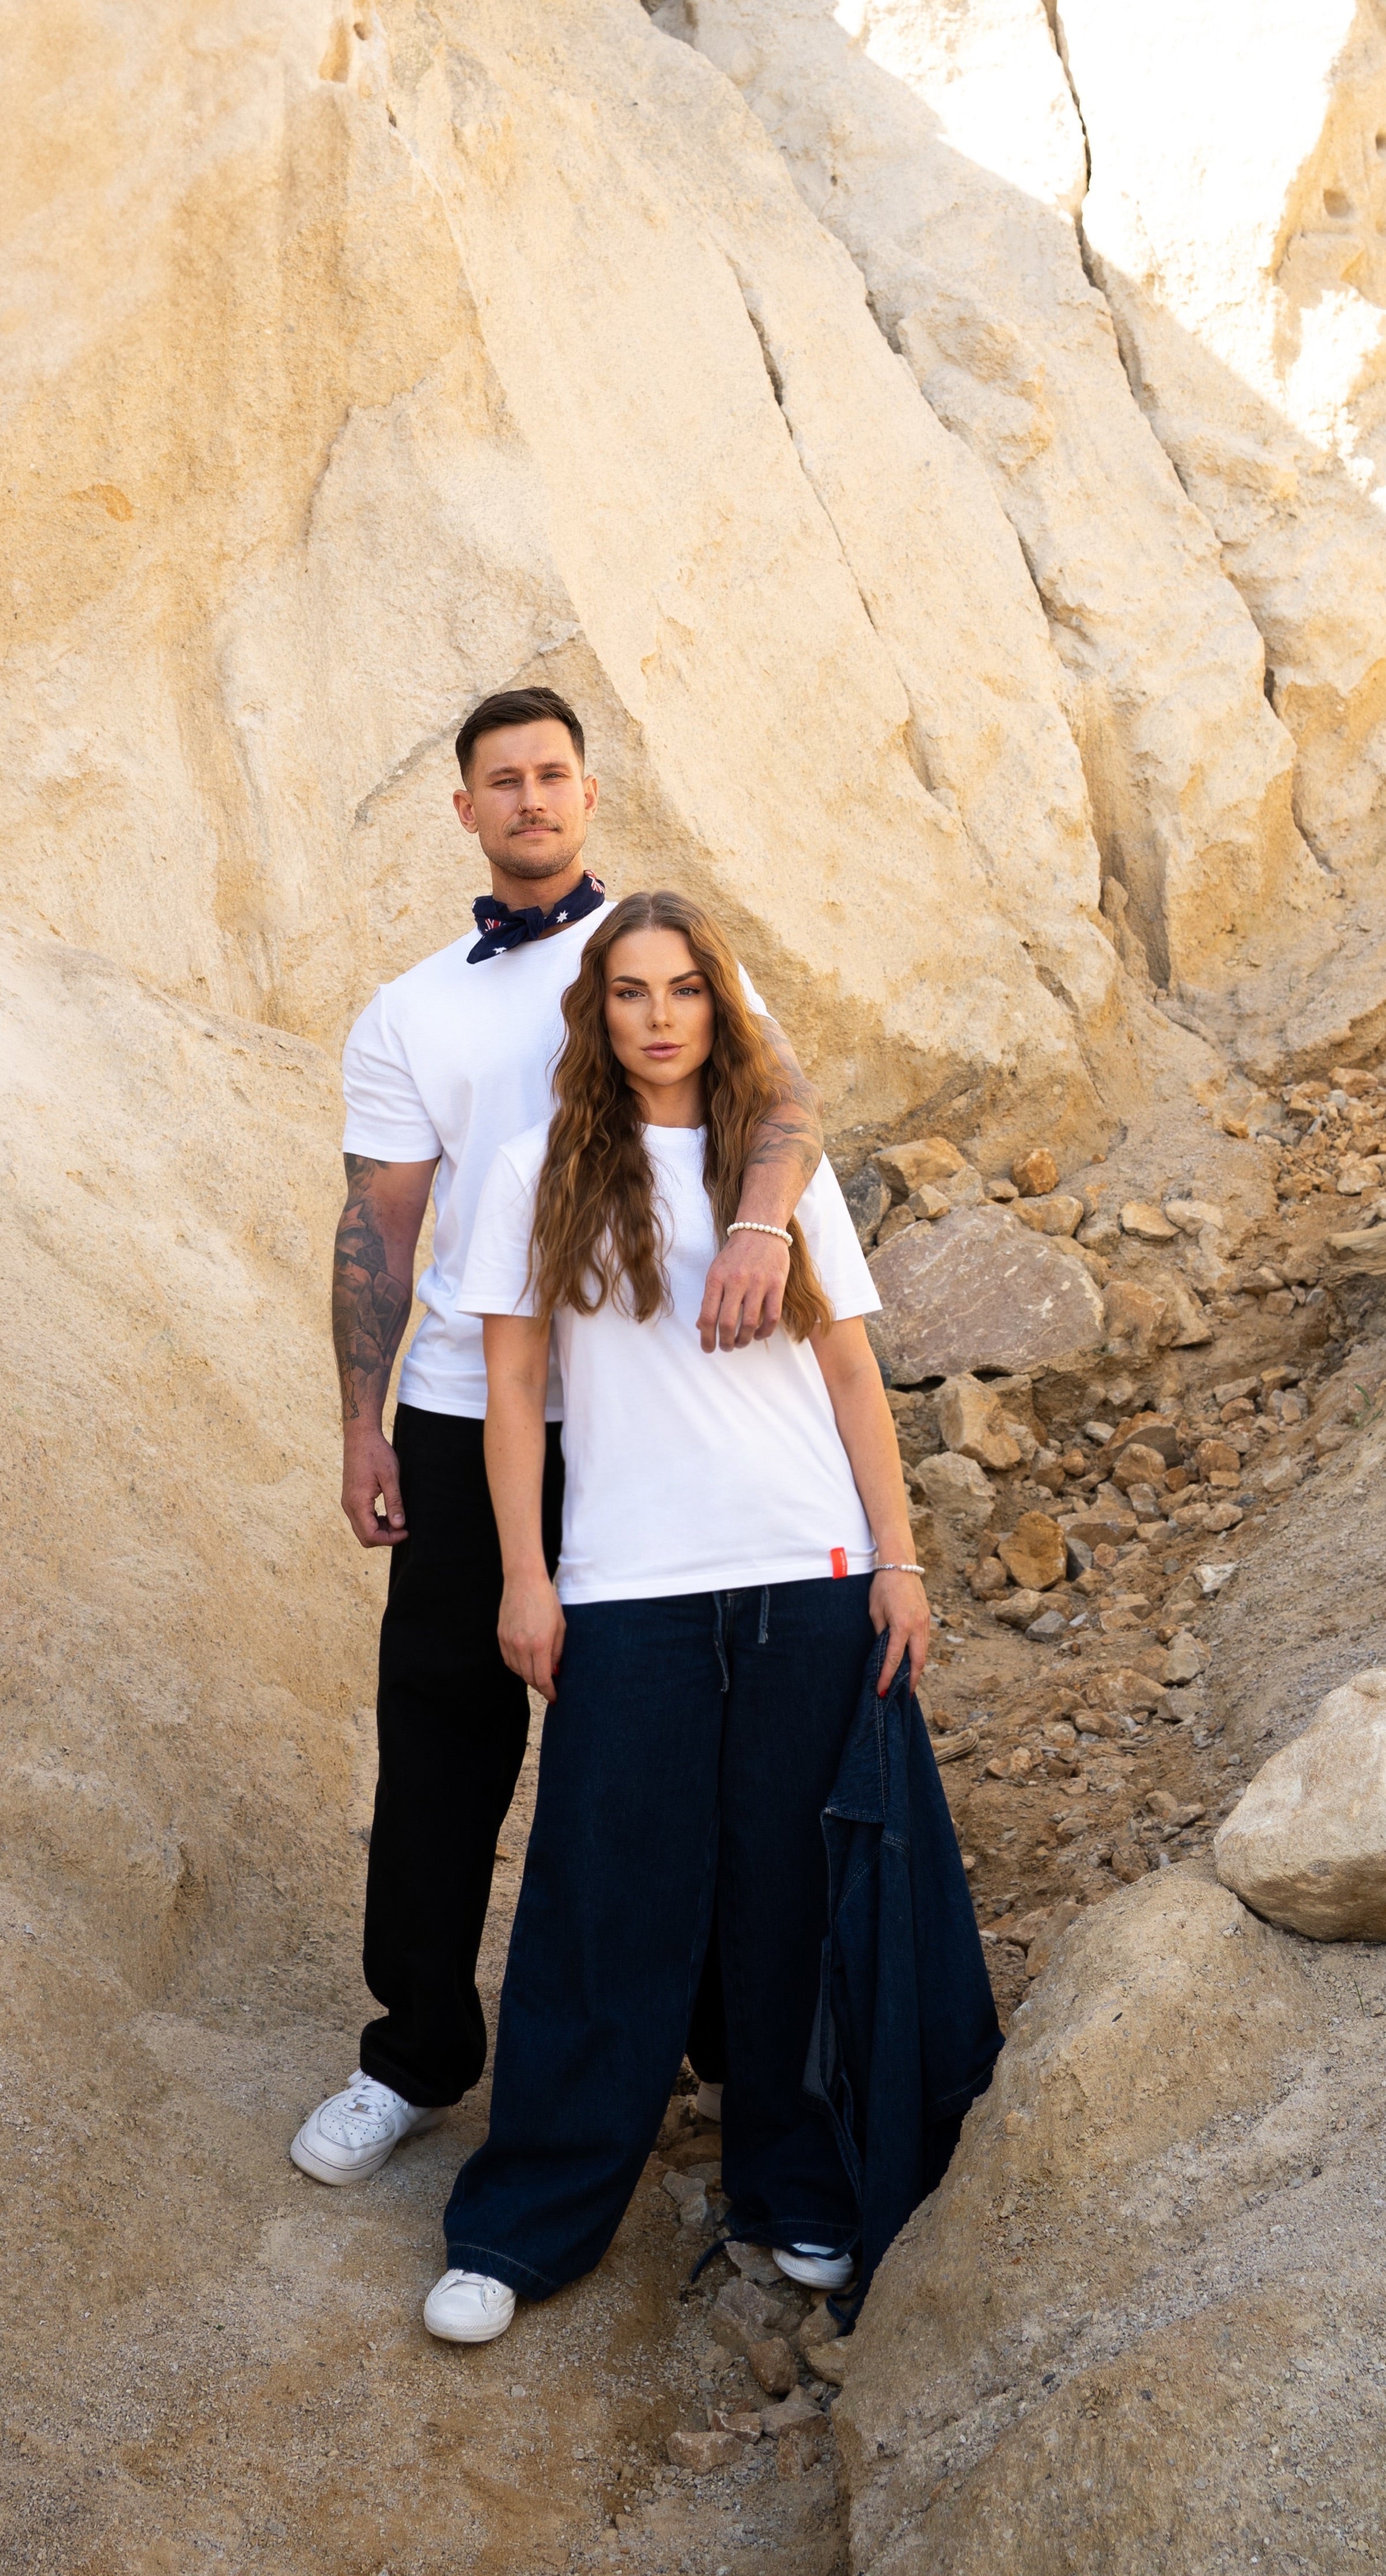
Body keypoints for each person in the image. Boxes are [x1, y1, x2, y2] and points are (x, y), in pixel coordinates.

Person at [421, 890, 972, 2347]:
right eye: (628, 992)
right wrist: (525, 1577)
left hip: (808, 1567)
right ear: (594, 1013)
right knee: (602, 1904)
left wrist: (899, 1561)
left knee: (790, 1900)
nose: (657, 1017)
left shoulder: (775, 1173)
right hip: (629, 1586)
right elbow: (513, 1392)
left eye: (681, 990)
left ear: (719, 1007)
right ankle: (523, 2223)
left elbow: (847, 1373)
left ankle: (796, 2186)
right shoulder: (537, 1166)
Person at [290, 694, 823, 2188]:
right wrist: (362, 1422)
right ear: (464, 810)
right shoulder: (412, 1012)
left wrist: (763, 1225)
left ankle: (713, 2045)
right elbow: (378, 1230)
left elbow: (784, 1110)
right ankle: (413, 2055)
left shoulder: (671, 964)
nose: (530, 799)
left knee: (669, 1734)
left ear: (589, 795)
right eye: (501, 781)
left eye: (552, 775)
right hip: (467, 1412)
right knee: (441, 1736)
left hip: (646, 1411)